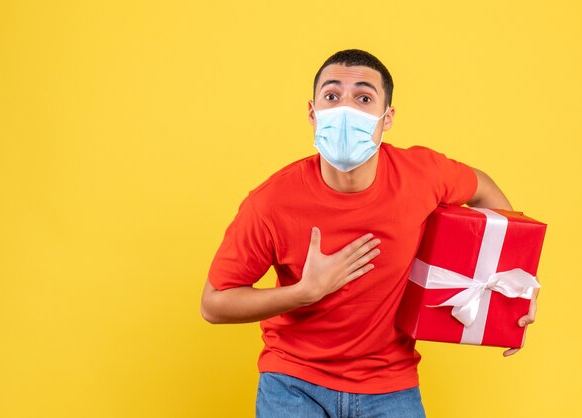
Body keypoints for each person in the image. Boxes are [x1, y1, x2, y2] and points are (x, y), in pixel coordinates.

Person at [201, 49, 538, 418]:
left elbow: (483, 188)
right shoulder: (270, 202)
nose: (346, 110)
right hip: (293, 382)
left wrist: (513, 288)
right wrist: (303, 293)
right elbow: (214, 304)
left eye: (363, 98)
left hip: (390, 383)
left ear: (387, 117)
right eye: (332, 96)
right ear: (313, 113)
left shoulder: (422, 175)